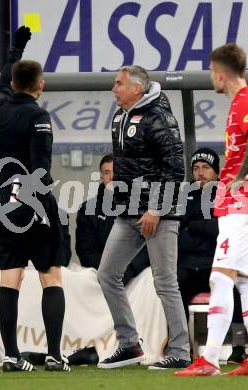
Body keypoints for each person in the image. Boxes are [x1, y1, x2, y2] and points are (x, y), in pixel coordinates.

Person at [97, 65, 191, 369]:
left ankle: (180, 351)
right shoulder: (119, 117)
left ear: (137, 88)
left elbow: (176, 168)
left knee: (165, 282)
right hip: (128, 212)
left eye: (119, 84)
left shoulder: (159, 117)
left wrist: (156, 209)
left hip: (159, 214)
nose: (114, 88)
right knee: (107, 274)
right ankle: (129, 345)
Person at [0, 26, 70, 372]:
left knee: (11, 276)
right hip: (35, 203)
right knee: (50, 276)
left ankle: (11, 355)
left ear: (13, 85)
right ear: (41, 86)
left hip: (5, 203)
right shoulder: (39, 117)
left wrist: (15, 49)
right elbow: (41, 169)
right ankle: (54, 354)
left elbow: (1, 84)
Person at [175, 43, 248, 377]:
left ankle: (210, 359)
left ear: (220, 73)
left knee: (220, 276)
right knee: (244, 283)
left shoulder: (245, 100)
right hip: (236, 203)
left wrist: (239, 176)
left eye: (210, 71)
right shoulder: (237, 103)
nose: (210, 77)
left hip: (241, 204)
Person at [76, 153, 150, 285]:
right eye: (106, 172)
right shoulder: (88, 209)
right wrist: (109, 271)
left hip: (135, 274)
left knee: (152, 278)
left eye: (116, 172)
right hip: (100, 273)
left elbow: (148, 246)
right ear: (101, 176)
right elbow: (86, 250)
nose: (112, 177)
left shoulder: (142, 207)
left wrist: (128, 269)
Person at [177, 148, 219, 321]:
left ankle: (235, 342)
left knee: (231, 285)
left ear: (216, 171)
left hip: (214, 264)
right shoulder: (184, 196)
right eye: (196, 168)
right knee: (170, 288)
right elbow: (175, 233)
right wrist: (205, 227)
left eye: (206, 167)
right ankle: (179, 342)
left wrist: (192, 225)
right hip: (186, 265)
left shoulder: (227, 194)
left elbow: (219, 230)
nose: (200, 173)